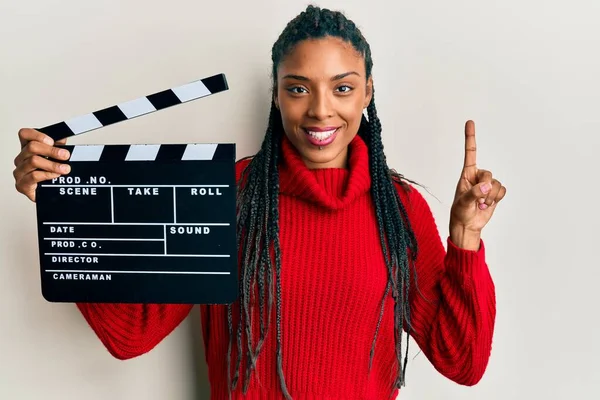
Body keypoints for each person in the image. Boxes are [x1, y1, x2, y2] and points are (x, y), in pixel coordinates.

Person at [12, 5, 506, 400]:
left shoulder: (398, 209)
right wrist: (63, 205)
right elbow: (130, 334)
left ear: (366, 93)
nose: (320, 109)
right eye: (298, 88)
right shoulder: (226, 196)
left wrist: (465, 238)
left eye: (342, 88)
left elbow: (461, 361)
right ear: (276, 95)